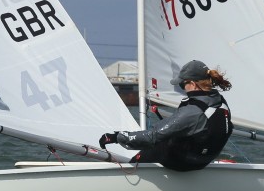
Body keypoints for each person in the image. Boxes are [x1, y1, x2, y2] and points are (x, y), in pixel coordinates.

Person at [98, 59, 233, 171]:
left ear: (192, 84)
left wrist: (116, 137)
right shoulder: (220, 101)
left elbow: (152, 136)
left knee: (156, 144)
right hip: (204, 161)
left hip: (183, 163)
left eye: (182, 84)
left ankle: (132, 171)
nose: (182, 88)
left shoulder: (192, 111)